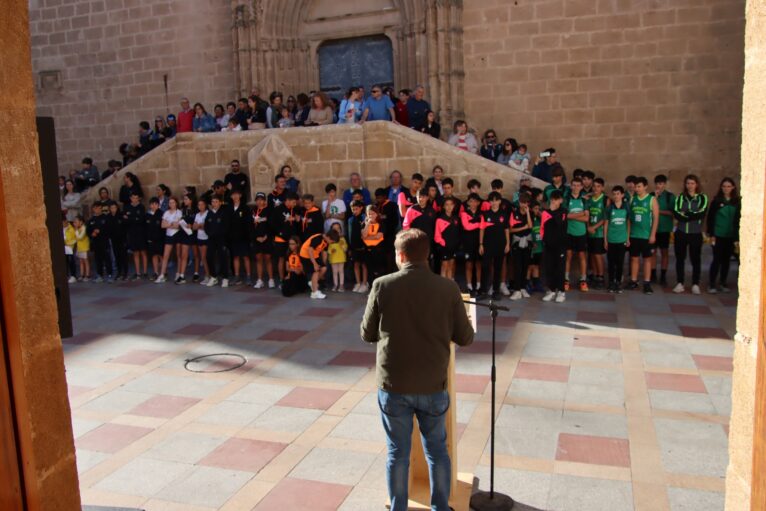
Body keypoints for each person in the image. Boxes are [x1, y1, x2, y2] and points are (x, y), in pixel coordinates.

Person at [360, 228, 474, 511]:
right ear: (428, 255)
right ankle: (440, 507)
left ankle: (399, 507)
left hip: (393, 383)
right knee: (437, 450)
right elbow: (466, 337)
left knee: (397, 452)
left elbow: (367, 333)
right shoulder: (448, 288)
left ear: (400, 256)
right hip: (433, 383)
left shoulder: (382, 285)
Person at [672, 174, 708, 295]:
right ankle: (680, 283)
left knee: (695, 259)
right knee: (680, 259)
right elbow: (676, 212)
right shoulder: (680, 197)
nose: (690, 186)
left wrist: (686, 214)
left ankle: (695, 283)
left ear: (696, 184)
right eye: (688, 183)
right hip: (681, 232)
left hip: (695, 233)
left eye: (692, 183)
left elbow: (701, 213)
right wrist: (690, 214)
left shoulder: (702, 198)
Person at [627, 177, 660, 294]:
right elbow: (629, 220)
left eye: (639, 186)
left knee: (647, 260)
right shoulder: (632, 200)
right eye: (635, 186)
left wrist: (653, 235)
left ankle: (647, 283)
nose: (637, 189)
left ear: (645, 186)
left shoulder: (652, 200)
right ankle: (633, 281)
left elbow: (656, 218)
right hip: (634, 235)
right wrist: (628, 235)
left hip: (646, 236)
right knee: (634, 258)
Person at [707, 177, 740, 294]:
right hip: (718, 235)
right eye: (724, 186)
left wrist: (737, 237)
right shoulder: (716, 201)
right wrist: (711, 234)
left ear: (733, 187)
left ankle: (723, 282)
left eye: (729, 186)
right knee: (717, 259)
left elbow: (738, 219)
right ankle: (711, 284)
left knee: (726, 260)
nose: (726, 188)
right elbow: (710, 219)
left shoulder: (737, 202)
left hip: (731, 236)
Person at [477, 191, 510, 300]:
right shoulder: (485, 215)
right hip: (487, 245)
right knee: (485, 267)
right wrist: (481, 244)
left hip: (500, 245)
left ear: (500, 201)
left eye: (496, 200)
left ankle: (496, 291)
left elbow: (506, 230)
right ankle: (483, 291)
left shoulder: (504, 215)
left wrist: (508, 243)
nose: (494, 202)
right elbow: (481, 229)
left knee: (498, 268)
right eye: (492, 200)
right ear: (489, 202)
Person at [541, 191, 568, 302]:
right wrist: (544, 240)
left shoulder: (563, 212)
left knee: (560, 268)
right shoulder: (545, 213)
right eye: (552, 199)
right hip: (548, 246)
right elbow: (543, 228)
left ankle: (561, 292)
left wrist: (552, 211)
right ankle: (551, 290)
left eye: (556, 199)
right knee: (549, 268)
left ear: (561, 200)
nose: (553, 201)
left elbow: (559, 223)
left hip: (560, 246)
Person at [270, 192, 302, 283]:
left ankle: (294, 278)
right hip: (280, 239)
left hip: (292, 239)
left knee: (293, 257)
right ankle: (281, 279)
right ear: (287, 201)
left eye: (296, 203)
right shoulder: (278, 209)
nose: (295, 204)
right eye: (293, 202)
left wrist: (297, 220)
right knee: (281, 258)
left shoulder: (296, 210)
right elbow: (272, 224)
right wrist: (280, 233)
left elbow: (298, 223)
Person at [603, 185, 630, 293]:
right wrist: (605, 240)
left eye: (618, 194)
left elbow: (628, 223)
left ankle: (618, 282)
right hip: (611, 239)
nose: (616, 196)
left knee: (620, 262)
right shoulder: (609, 208)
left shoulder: (626, 207)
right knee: (611, 262)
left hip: (621, 239)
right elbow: (606, 224)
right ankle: (611, 282)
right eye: (614, 194)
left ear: (622, 195)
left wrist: (627, 238)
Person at [301, 230, 339, 299]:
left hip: (315, 255)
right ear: (328, 237)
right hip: (306, 255)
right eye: (332, 241)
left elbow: (324, 252)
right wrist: (315, 264)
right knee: (316, 271)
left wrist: (323, 263)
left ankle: (313, 283)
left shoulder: (326, 242)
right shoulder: (318, 238)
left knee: (324, 268)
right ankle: (314, 293)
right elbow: (310, 250)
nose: (332, 243)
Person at [509, 194, 534, 300]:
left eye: (526, 203)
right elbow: (510, 229)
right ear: (519, 203)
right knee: (518, 267)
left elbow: (531, 226)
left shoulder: (531, 213)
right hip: (517, 243)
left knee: (525, 266)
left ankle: (523, 288)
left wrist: (528, 212)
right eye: (522, 202)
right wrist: (522, 228)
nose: (524, 204)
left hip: (527, 243)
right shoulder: (514, 214)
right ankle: (517, 290)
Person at [653, 174, 675, 286]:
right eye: (657, 184)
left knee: (664, 252)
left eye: (661, 184)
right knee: (652, 252)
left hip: (664, 229)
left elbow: (672, 213)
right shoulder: (651, 196)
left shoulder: (670, 196)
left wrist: (658, 211)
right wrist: (655, 199)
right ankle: (652, 274)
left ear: (665, 184)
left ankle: (663, 275)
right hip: (653, 230)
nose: (658, 186)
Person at [204, 195, 231, 288]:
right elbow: (206, 225)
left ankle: (225, 278)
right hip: (211, 239)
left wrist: (221, 234)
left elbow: (226, 226)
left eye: (216, 201)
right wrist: (209, 233)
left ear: (220, 202)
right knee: (208, 256)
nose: (214, 204)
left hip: (221, 239)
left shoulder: (224, 213)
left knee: (222, 257)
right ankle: (213, 276)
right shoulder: (209, 213)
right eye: (213, 202)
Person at [586, 178, 608, 289]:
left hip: (599, 232)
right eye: (594, 186)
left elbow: (605, 218)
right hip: (591, 231)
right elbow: (587, 215)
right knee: (593, 255)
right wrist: (589, 226)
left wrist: (594, 227)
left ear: (602, 188)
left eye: (598, 186)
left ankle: (601, 276)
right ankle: (595, 275)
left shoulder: (605, 199)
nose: (596, 188)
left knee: (598, 255)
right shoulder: (589, 200)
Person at [154, 197, 182, 283]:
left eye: (173, 202)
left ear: (176, 203)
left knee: (178, 255)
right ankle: (162, 274)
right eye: (170, 203)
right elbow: (162, 225)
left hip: (177, 235)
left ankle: (178, 273)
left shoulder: (179, 212)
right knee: (165, 255)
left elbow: (177, 226)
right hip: (168, 235)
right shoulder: (166, 212)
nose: (171, 204)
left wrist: (168, 224)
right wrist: (171, 224)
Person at [228, 188, 252, 286]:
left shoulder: (245, 208)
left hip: (243, 237)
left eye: (237, 194)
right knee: (235, 256)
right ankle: (236, 276)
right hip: (233, 237)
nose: (235, 196)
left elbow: (248, 223)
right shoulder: (229, 208)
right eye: (233, 195)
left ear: (240, 196)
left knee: (246, 257)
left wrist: (248, 236)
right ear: (231, 197)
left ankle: (249, 277)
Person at [460, 193, 483, 295]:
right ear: (468, 202)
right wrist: (478, 224)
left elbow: (484, 227)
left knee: (478, 264)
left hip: (479, 243)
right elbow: (467, 226)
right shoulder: (464, 213)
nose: (473, 203)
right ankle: (469, 286)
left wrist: (473, 224)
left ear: (478, 203)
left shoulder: (482, 214)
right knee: (469, 264)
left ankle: (478, 286)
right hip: (468, 243)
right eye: (471, 201)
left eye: (475, 201)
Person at [251, 192, 275, 289]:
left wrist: (266, 236)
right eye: (258, 200)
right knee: (259, 258)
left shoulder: (269, 211)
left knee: (268, 258)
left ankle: (271, 279)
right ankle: (260, 280)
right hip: (257, 239)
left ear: (264, 201)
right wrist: (256, 237)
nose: (259, 202)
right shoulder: (253, 211)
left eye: (261, 199)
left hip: (267, 238)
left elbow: (272, 225)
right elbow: (249, 226)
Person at [434, 196, 461, 281]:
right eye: (447, 205)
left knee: (451, 265)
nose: (449, 207)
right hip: (444, 247)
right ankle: (442, 286)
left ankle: (449, 285)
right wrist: (444, 243)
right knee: (444, 265)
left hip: (453, 247)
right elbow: (437, 236)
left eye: (451, 204)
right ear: (443, 206)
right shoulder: (440, 219)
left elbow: (458, 233)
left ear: (454, 206)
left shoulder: (456, 218)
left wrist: (456, 243)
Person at [124, 191, 147, 280]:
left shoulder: (141, 207)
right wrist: (133, 219)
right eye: (133, 197)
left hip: (141, 233)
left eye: (137, 198)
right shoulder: (127, 207)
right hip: (132, 233)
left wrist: (130, 218)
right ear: (130, 198)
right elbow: (125, 220)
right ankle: (138, 273)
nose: (135, 199)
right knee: (135, 253)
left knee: (143, 252)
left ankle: (145, 272)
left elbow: (141, 220)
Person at [87, 202, 112, 282]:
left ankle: (109, 275)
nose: (97, 210)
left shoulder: (106, 218)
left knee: (107, 259)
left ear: (101, 208)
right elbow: (88, 232)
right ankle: (100, 275)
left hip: (104, 242)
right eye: (95, 208)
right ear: (93, 209)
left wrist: (100, 231)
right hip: (96, 243)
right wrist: (92, 234)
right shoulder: (91, 220)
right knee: (98, 260)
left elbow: (109, 230)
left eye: (98, 208)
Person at [177, 194, 198, 283]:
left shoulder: (196, 210)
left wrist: (192, 225)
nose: (184, 200)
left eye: (186, 199)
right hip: (185, 234)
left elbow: (198, 221)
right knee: (184, 254)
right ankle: (182, 275)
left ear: (191, 200)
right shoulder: (183, 210)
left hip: (194, 234)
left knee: (196, 254)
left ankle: (196, 273)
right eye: (184, 199)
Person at [348, 200, 368, 293]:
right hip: (354, 246)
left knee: (364, 264)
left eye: (356, 209)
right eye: (353, 209)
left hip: (363, 246)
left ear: (361, 208)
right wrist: (350, 247)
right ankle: (358, 283)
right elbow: (349, 234)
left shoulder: (365, 218)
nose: (354, 211)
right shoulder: (350, 220)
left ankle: (364, 283)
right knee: (356, 264)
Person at [192, 198, 211, 285]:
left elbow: (206, 226)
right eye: (199, 205)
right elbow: (194, 227)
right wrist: (199, 225)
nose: (201, 206)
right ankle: (207, 275)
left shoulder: (208, 213)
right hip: (199, 237)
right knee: (202, 257)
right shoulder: (197, 215)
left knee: (204, 257)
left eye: (202, 204)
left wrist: (200, 225)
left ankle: (208, 275)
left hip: (206, 237)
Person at [145, 197, 164, 279]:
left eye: (156, 204)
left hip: (160, 239)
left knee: (161, 256)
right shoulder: (147, 215)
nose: (154, 206)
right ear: (150, 205)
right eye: (152, 204)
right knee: (154, 255)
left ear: (158, 205)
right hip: (151, 239)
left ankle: (163, 272)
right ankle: (155, 272)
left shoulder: (162, 214)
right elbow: (145, 228)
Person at [528, 201, 544, 293]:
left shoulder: (539, 218)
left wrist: (541, 214)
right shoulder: (529, 219)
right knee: (530, 266)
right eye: (535, 209)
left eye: (538, 209)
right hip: (532, 247)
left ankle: (536, 283)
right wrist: (531, 242)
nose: (537, 211)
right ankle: (528, 283)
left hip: (539, 246)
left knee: (537, 266)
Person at [328, 222, 348, 292]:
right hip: (333, 259)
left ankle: (341, 285)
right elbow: (329, 250)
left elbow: (345, 249)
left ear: (340, 229)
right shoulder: (330, 239)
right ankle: (335, 285)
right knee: (334, 272)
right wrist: (331, 251)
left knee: (341, 271)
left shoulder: (342, 238)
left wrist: (342, 246)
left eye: (338, 228)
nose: (336, 229)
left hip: (341, 257)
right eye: (334, 228)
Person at [73, 215, 90, 281]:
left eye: (76, 222)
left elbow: (80, 237)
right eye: (74, 222)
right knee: (81, 261)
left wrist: (76, 230)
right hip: (79, 247)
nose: (75, 223)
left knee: (86, 261)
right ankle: (82, 275)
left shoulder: (84, 228)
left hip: (84, 247)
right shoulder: (77, 229)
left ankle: (87, 275)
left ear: (81, 222)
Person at [63, 216, 77, 283]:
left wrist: (68, 242)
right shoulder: (61, 228)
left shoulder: (71, 229)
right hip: (64, 248)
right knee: (65, 262)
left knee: (71, 262)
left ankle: (73, 276)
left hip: (70, 248)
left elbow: (75, 239)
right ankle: (66, 275)